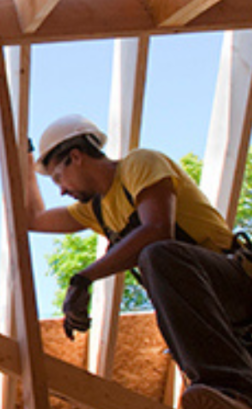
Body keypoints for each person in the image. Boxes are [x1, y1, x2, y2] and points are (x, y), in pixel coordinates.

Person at [26, 114, 252, 409]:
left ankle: (232, 388)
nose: (61, 191)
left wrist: (83, 278)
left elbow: (158, 229)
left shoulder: (139, 164)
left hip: (238, 285)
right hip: (229, 326)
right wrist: (24, 153)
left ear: (76, 157)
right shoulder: (98, 210)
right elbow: (31, 218)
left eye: (58, 177)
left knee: (158, 255)